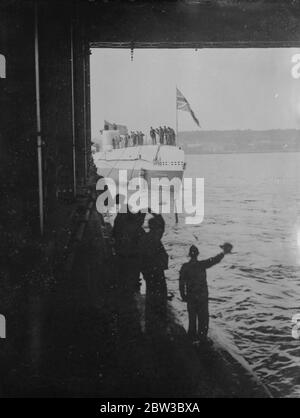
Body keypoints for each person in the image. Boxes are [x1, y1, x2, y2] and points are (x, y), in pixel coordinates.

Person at [179, 243, 233, 342]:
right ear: (197, 254)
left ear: (190, 255)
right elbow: (214, 260)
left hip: (191, 297)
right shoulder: (202, 264)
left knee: (192, 320)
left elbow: (181, 283)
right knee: (203, 320)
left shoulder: (185, 267)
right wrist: (223, 252)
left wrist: (183, 296)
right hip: (202, 297)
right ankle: (202, 340)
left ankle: (191, 339)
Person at [139, 212, 168, 335]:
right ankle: (160, 324)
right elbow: (163, 225)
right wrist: (157, 214)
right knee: (160, 296)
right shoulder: (155, 238)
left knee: (151, 296)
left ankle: (151, 324)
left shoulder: (145, 238)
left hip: (148, 272)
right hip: (157, 271)